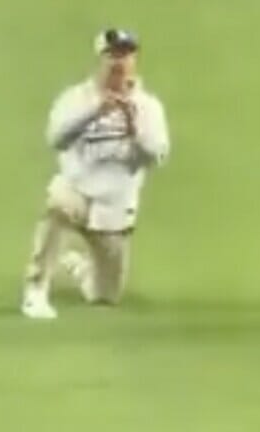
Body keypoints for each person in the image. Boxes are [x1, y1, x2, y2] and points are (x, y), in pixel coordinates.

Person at [21, 29, 171, 320]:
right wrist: (94, 112)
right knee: (58, 203)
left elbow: (158, 156)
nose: (119, 61)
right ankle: (35, 290)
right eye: (113, 54)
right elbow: (56, 139)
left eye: (126, 54)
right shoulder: (76, 98)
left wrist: (134, 128)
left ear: (135, 59)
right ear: (101, 58)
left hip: (114, 210)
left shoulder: (148, 107)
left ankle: (81, 267)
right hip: (78, 192)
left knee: (105, 296)